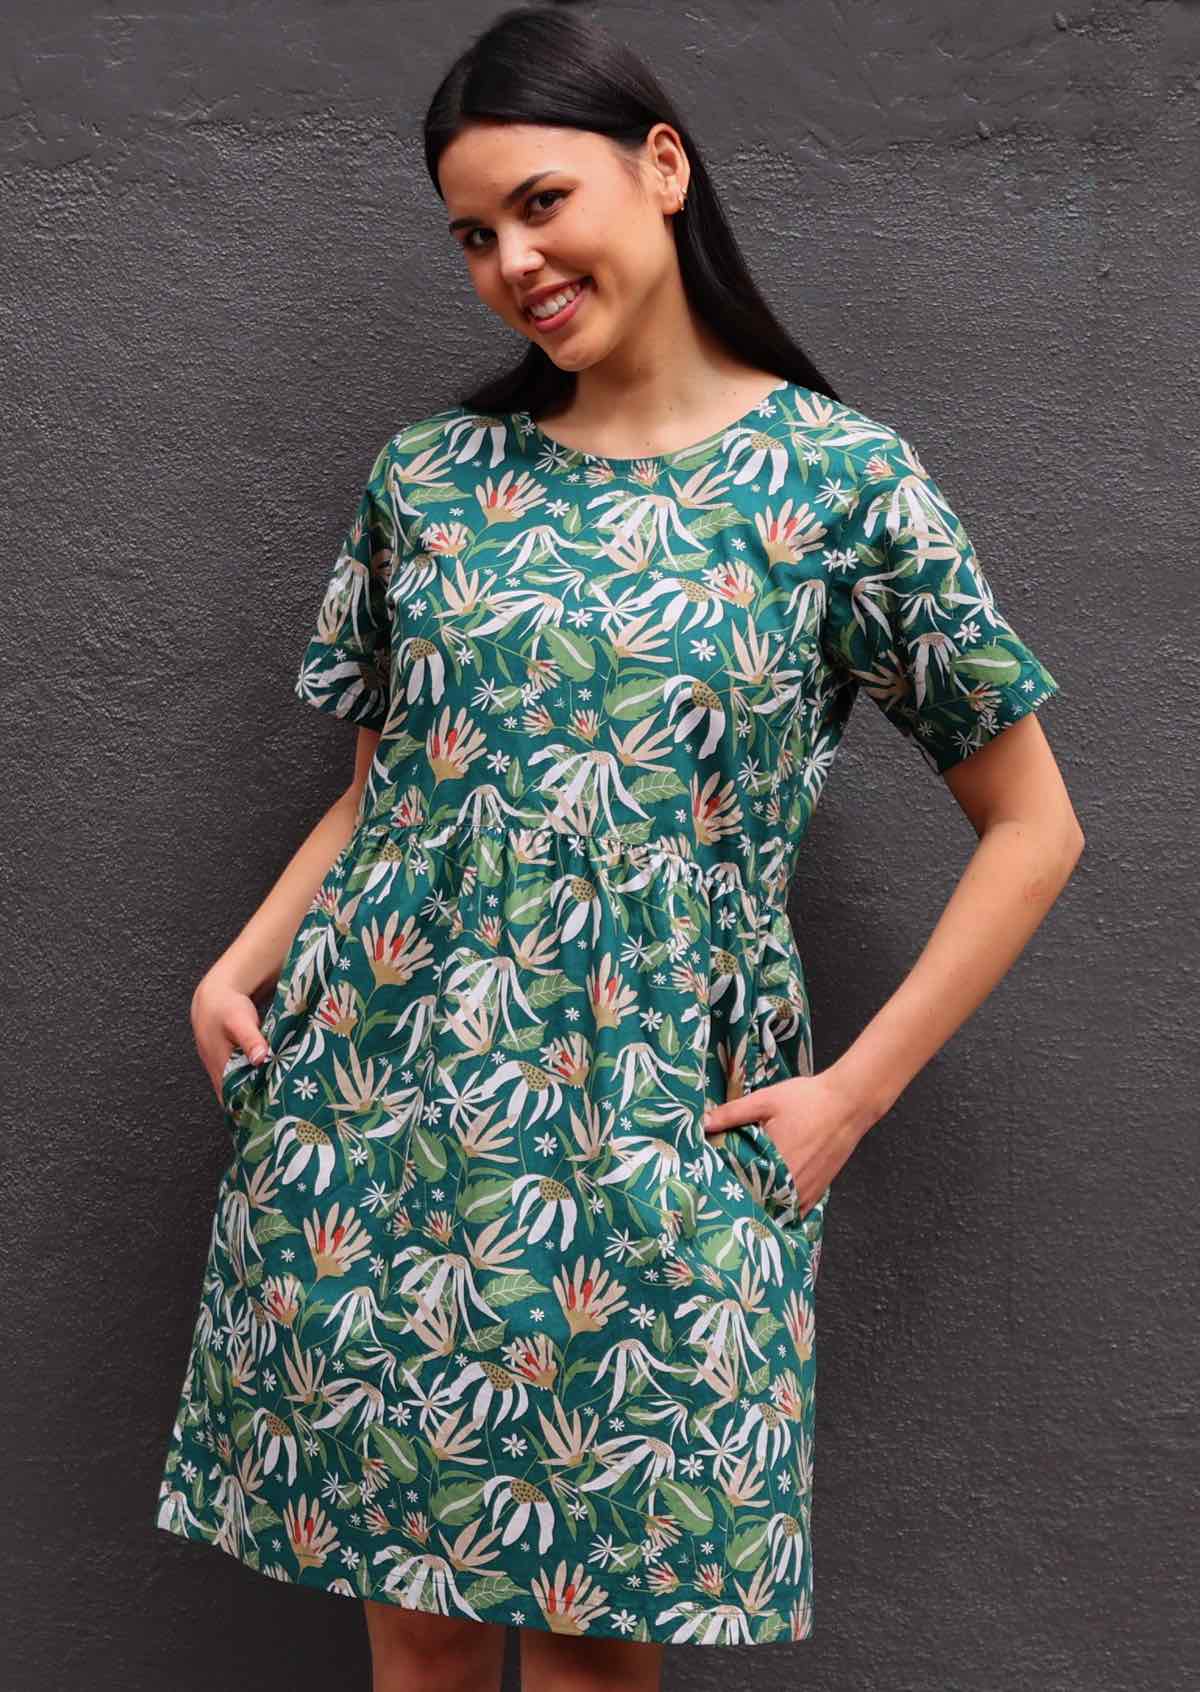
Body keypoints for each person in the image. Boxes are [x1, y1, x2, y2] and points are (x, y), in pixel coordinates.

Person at [153, 6, 1083, 1689]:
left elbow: (1037, 828)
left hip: (658, 1141)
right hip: (382, 1129)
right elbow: (395, 782)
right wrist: (244, 958)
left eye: (539, 202)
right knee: (420, 1641)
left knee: (598, 1659)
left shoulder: (840, 483)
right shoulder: (430, 482)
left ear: (661, 168)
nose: (512, 259)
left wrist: (847, 1100)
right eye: (472, 234)